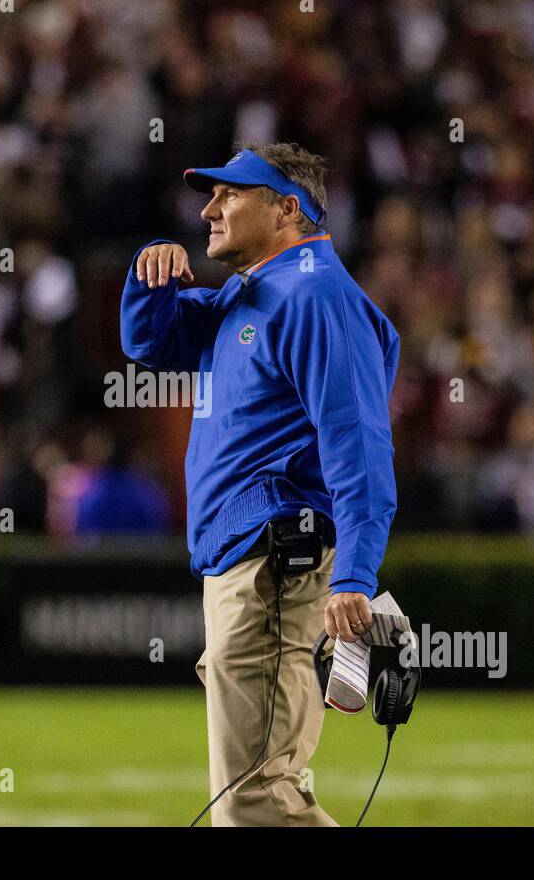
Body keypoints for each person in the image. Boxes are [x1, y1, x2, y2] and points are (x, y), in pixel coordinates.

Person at [119, 142, 400, 826]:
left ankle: (369, 608)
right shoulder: (256, 293)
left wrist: (355, 578)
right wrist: (149, 276)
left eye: (230, 195)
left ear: (287, 209)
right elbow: (150, 344)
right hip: (246, 561)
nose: (209, 209)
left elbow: (359, 449)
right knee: (257, 798)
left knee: (255, 801)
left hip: (274, 565)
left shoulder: (316, 297)